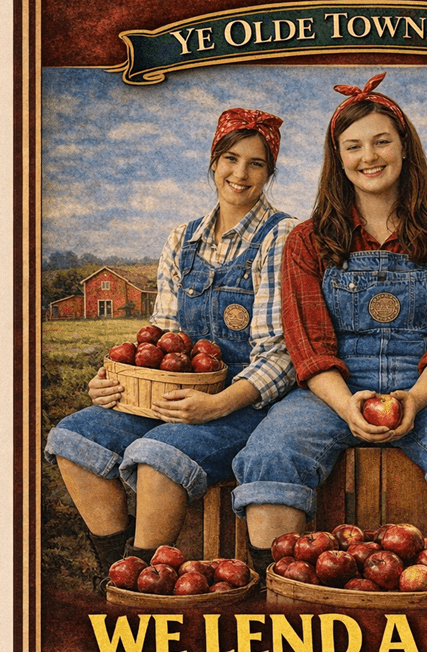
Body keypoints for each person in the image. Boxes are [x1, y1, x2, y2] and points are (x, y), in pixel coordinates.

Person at [231, 74, 427, 576]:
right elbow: (308, 343)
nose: (370, 156)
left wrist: (416, 398)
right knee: (271, 451)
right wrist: (346, 404)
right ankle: (276, 589)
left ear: (405, 148)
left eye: (382, 141)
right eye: (354, 146)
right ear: (337, 158)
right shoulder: (308, 239)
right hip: (332, 385)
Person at [45, 107, 296, 580]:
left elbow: (280, 355)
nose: (239, 173)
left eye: (256, 163)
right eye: (229, 158)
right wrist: (116, 378)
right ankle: (114, 573)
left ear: (270, 172)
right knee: (74, 439)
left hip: (244, 398)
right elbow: (160, 337)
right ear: (213, 162)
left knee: (157, 458)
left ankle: (146, 579)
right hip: (176, 392)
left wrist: (217, 404)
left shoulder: (280, 235)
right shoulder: (183, 238)